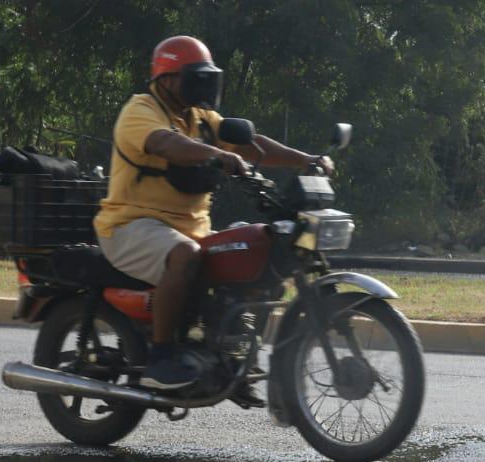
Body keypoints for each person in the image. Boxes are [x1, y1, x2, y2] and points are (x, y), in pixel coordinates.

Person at [94, 35, 333, 390]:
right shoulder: (140, 110)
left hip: (191, 228)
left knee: (254, 249)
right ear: (167, 78)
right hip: (131, 225)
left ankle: (226, 350)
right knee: (185, 254)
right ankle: (160, 357)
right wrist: (217, 155)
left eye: (207, 77)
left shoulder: (201, 118)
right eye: (196, 77)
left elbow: (252, 144)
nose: (204, 85)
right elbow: (165, 142)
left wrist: (305, 160)